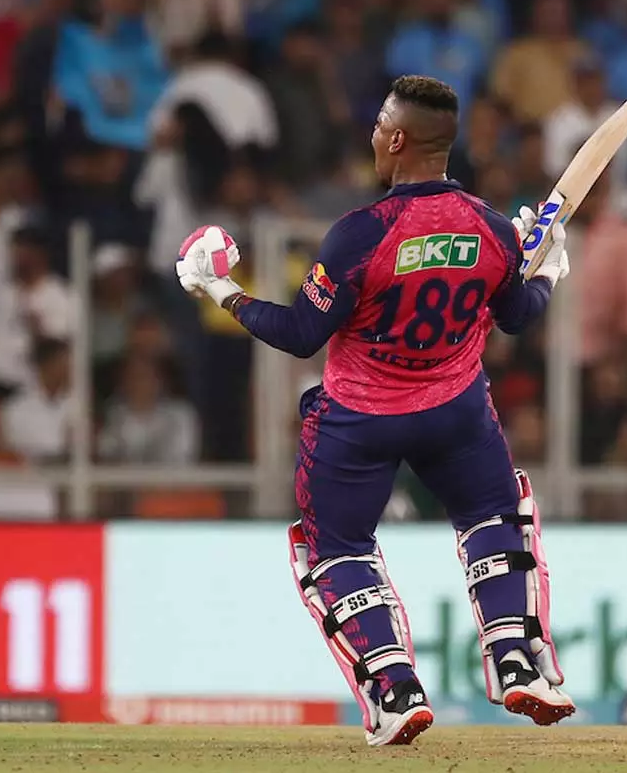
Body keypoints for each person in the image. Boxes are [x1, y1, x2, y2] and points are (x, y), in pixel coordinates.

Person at [172, 75, 573, 747]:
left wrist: (221, 289)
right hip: (455, 410)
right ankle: (516, 661)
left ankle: (395, 689)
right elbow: (515, 316)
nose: (372, 136)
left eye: (380, 125)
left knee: (333, 548)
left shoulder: (361, 234)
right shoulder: (491, 227)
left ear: (396, 140)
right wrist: (546, 273)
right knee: (496, 519)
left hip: (358, 419)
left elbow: (300, 334)